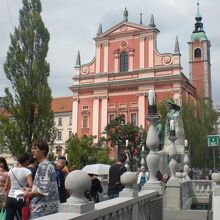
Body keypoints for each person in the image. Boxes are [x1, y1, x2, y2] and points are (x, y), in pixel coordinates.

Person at [25, 139, 59, 219]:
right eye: (32, 148)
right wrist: (30, 189)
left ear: (43, 150)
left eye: (35, 148)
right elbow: (44, 188)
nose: (32, 151)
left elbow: (43, 191)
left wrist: (27, 193)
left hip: (42, 210)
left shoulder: (44, 166)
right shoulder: (45, 165)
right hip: (47, 208)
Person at [5, 153, 32, 220]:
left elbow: (7, 186)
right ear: (26, 161)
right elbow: (31, 185)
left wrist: (5, 200)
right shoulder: (27, 171)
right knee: (22, 217)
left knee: (9, 218)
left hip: (10, 198)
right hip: (20, 198)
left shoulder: (11, 170)